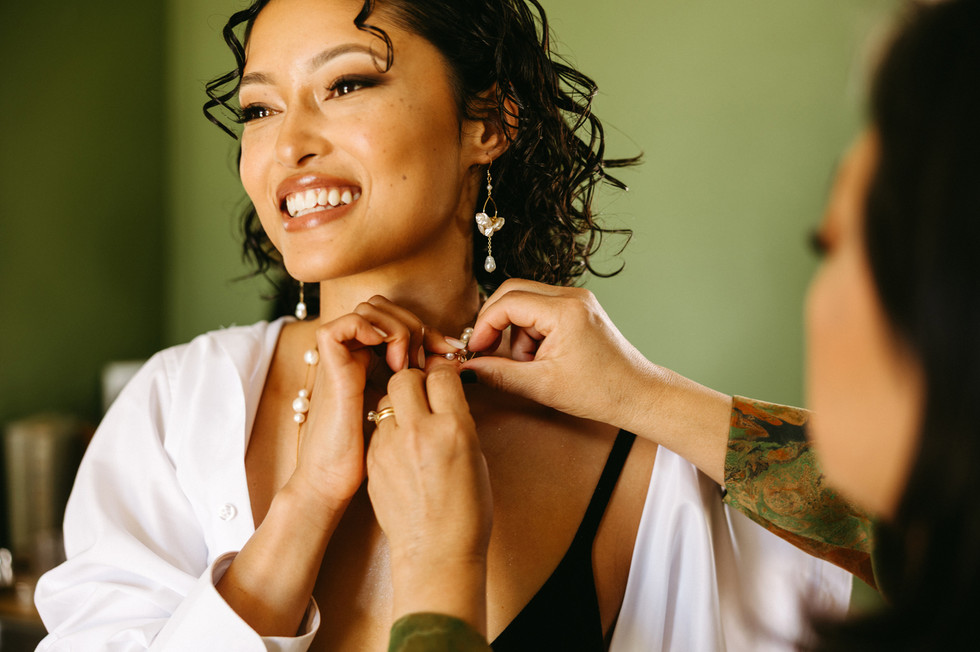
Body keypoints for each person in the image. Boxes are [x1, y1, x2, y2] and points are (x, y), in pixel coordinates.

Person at [33, 0, 851, 650]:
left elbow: (912, 521)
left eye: (346, 85)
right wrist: (305, 507)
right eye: (258, 108)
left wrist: (643, 395)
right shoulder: (175, 409)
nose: (288, 144)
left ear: (486, 124)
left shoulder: (645, 463)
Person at [395, 0, 973, 648]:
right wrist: (639, 391)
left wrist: (438, 570)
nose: (819, 297)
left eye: (838, 246)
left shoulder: (647, 487)